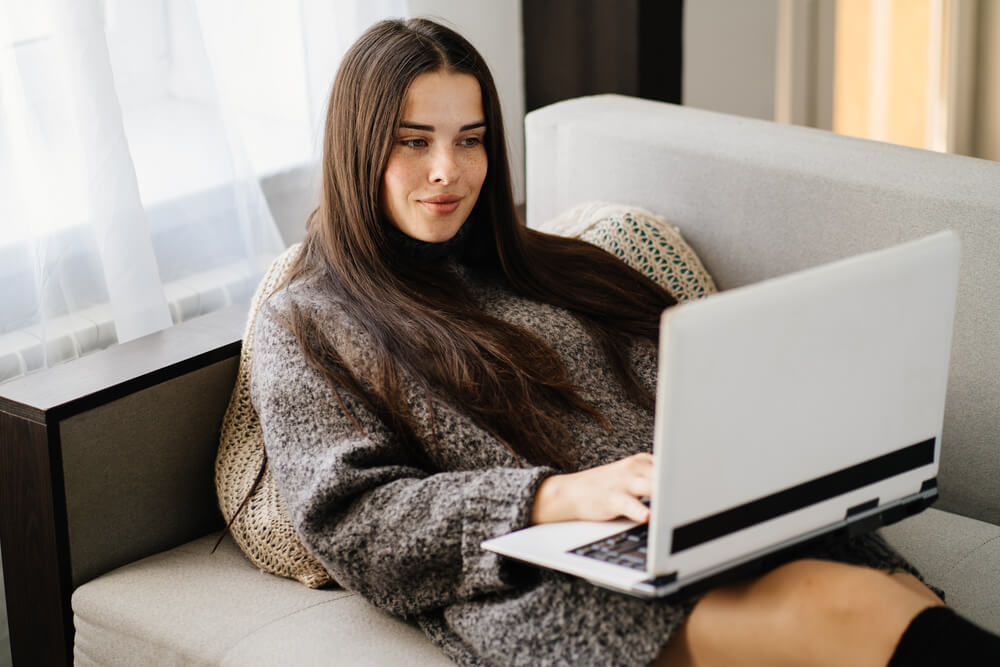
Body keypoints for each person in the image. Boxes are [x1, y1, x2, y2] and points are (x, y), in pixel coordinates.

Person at [251, 17, 1000, 666]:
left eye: (470, 140)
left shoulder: (561, 265)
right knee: (846, 610)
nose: (448, 170)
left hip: (714, 520)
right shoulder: (308, 321)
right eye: (413, 142)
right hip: (565, 579)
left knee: (896, 594)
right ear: (356, 147)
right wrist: (552, 496)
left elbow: (704, 373)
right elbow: (352, 520)